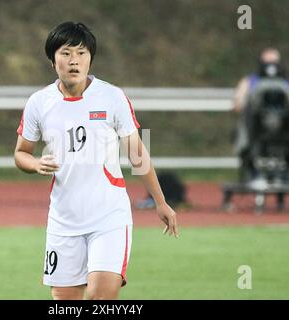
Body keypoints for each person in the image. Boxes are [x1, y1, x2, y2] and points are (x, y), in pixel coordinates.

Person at [14, 21, 178, 300]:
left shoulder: (112, 97)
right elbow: (21, 153)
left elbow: (138, 154)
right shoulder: (39, 103)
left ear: (91, 58)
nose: (74, 60)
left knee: (100, 298)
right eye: (66, 53)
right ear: (52, 60)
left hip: (108, 216)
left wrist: (160, 202)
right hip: (63, 220)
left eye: (81, 53)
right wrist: (35, 164)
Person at [231, 47, 289, 184]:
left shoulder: (286, 83)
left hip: (282, 131)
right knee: (242, 134)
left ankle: (282, 172)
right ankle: (253, 172)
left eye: (274, 61)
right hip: (255, 130)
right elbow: (237, 105)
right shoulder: (249, 81)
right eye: (267, 61)